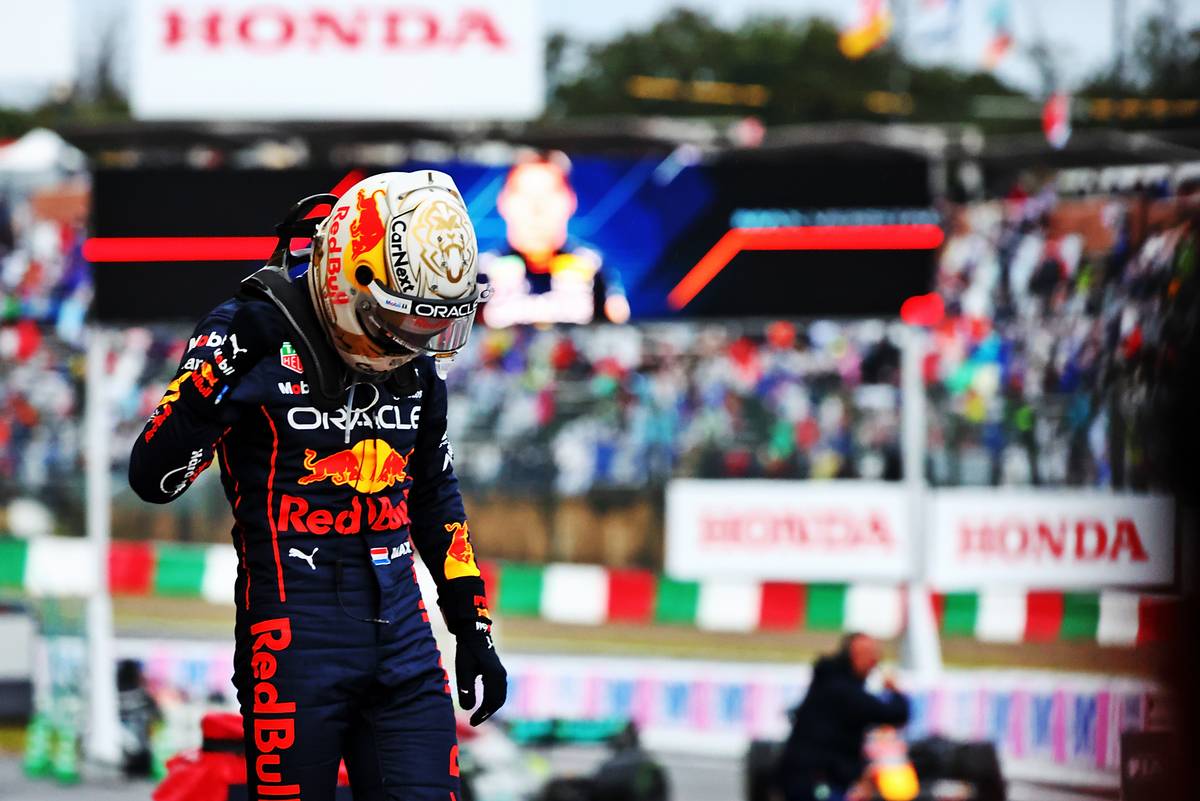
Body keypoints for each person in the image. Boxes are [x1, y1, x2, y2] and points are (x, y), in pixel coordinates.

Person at [129, 171, 506, 801]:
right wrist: (214, 387)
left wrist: (471, 625)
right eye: (400, 320)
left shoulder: (416, 368)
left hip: (405, 639)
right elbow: (153, 478)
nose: (413, 341)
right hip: (291, 638)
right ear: (348, 277)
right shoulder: (248, 329)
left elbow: (435, 495)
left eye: (429, 325)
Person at [482, 150, 630, 327]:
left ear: (570, 200)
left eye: (548, 193)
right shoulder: (480, 274)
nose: (536, 208)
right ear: (503, 201)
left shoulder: (594, 268)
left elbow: (620, 333)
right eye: (524, 193)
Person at [777, 633, 910, 801]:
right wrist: (895, 692)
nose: (874, 663)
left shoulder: (830, 681)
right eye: (870, 656)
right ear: (854, 656)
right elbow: (893, 714)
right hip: (817, 780)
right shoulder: (842, 690)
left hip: (812, 777)